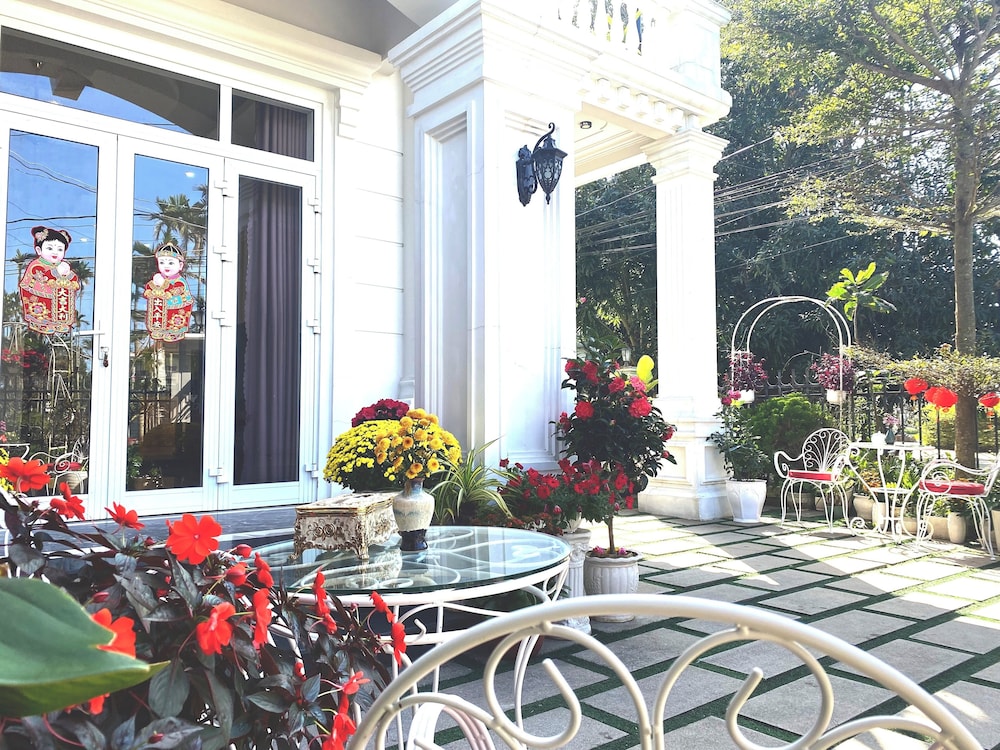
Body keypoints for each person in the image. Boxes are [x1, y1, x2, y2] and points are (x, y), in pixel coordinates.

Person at [19, 225, 80, 334]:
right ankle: (41, 323)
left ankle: (60, 323)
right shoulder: (36, 264)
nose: (55, 252)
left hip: (58, 295)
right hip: (38, 293)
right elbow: (42, 277)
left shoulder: (62, 265)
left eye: (60, 249)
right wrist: (57, 272)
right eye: (50, 248)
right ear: (39, 250)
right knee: (41, 309)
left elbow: (73, 279)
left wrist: (69, 274)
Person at [144, 242, 194, 342]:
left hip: (178, 304)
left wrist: (166, 289)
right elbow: (150, 286)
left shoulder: (179, 281)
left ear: (180, 266)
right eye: (162, 263)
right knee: (159, 317)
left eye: (171, 263)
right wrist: (149, 290)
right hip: (161, 305)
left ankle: (175, 333)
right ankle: (158, 331)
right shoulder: (158, 278)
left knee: (175, 320)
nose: (166, 266)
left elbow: (177, 289)